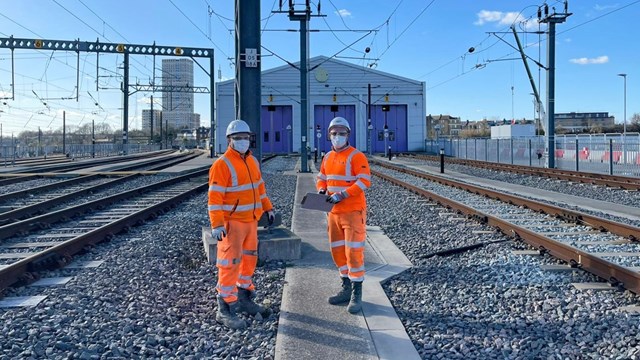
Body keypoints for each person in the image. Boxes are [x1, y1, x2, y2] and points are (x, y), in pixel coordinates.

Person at [208, 119, 275, 330]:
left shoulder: (252, 162)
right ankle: (224, 308)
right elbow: (215, 198)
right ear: (229, 140)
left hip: (251, 222)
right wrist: (217, 224)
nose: (243, 141)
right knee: (229, 263)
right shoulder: (222, 164)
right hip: (232, 224)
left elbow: (259, 188)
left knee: (248, 261)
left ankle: (245, 297)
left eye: (246, 137)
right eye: (238, 138)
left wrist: (268, 207)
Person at [316, 116, 371, 314]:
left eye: (341, 133)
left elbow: (364, 181)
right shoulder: (328, 157)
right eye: (334, 133)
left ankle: (357, 293)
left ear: (348, 135)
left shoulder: (356, 156)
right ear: (329, 135)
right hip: (333, 213)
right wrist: (322, 190)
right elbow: (322, 178)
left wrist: (343, 194)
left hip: (353, 212)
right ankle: (346, 288)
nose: (337, 136)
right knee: (338, 252)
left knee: (353, 253)